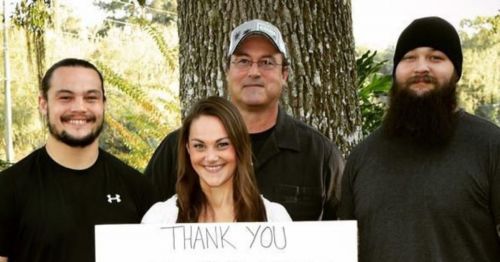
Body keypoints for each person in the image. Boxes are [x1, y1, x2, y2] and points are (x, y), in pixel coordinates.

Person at [145, 19, 344, 221]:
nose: (254, 72)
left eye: (266, 62)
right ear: (227, 71)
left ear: (284, 74)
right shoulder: (175, 148)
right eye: (243, 61)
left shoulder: (320, 155)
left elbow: (340, 236)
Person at [338, 16, 500, 262]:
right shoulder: (362, 157)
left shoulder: (490, 145)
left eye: (436, 58)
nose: (421, 67)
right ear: (396, 72)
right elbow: (345, 253)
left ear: (456, 72)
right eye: (409, 58)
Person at [0, 58, 158, 262]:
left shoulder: (138, 189)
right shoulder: (7, 189)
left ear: (103, 104)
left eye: (91, 98)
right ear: (43, 103)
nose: (80, 108)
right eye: (65, 97)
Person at [142, 97, 291, 223]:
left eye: (222, 145)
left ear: (240, 146)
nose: (211, 157)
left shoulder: (275, 218)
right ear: (188, 149)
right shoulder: (160, 219)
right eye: (199, 146)